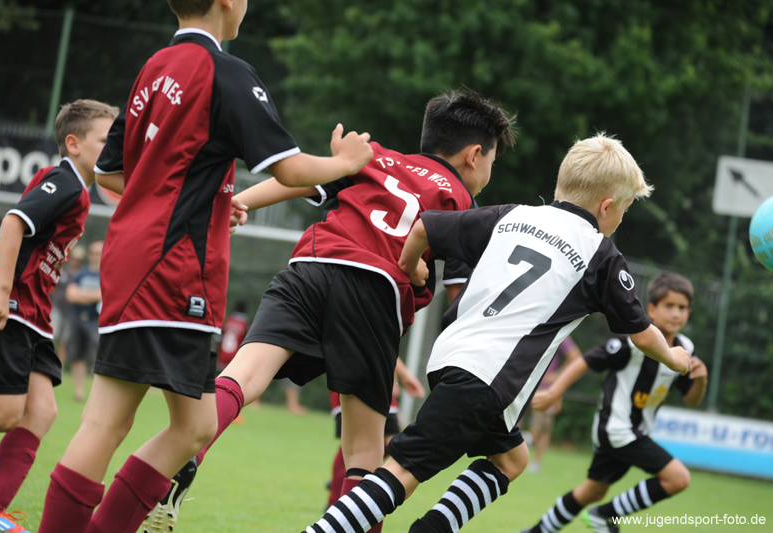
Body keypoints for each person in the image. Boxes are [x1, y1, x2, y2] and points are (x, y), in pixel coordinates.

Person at [36, 0, 373, 531]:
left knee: (167, 425)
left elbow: (110, 172)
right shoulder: (225, 72)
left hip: (129, 257)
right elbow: (289, 169)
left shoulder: (153, 68)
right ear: (227, 2)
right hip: (175, 268)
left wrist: (206, 195)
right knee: (147, 427)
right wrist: (346, 162)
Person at [156, 86, 517, 533]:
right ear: (475, 155)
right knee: (365, 451)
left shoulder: (375, 156)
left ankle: (185, 455)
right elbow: (461, 302)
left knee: (242, 377)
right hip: (376, 290)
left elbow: (301, 179)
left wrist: (239, 202)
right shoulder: (463, 204)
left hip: (311, 264)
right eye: (493, 162)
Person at [302, 133, 693, 533]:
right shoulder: (601, 254)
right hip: (488, 378)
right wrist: (676, 358)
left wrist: (410, 264)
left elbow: (423, 228)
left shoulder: (512, 215)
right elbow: (644, 336)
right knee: (403, 470)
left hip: (450, 358)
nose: (621, 219)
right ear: (607, 206)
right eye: (624, 210)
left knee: (511, 459)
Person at [0, 99, 117, 532]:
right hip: (12, 305)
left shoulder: (81, 189)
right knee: (3, 414)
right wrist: (2, 291)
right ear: (73, 144)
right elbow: (13, 222)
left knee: (41, 412)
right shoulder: (65, 181)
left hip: (35, 315)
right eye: (106, 140)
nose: (114, 148)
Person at [521, 273, 708, 533]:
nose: (676, 313)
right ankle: (604, 515)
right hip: (617, 429)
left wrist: (701, 380)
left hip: (635, 432)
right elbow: (585, 360)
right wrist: (554, 392)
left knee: (592, 492)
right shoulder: (633, 344)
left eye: (683, 307)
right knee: (678, 478)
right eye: (669, 305)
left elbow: (692, 400)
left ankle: (536, 531)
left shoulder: (685, 348)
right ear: (652, 309)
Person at [327, 358, 426, 507]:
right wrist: (403, 375)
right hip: (356, 380)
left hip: (380, 381)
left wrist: (399, 376)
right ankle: (339, 494)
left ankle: (343, 485)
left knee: (385, 446)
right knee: (358, 446)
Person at [527, 335, 581, 472]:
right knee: (522, 426)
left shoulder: (560, 332)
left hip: (544, 389)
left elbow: (575, 356)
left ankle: (535, 463)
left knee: (543, 428)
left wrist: (558, 375)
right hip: (524, 384)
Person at [65, 240, 103, 402]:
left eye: (99, 253)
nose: (96, 256)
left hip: (96, 321)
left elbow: (104, 295)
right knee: (77, 356)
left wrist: (83, 293)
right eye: (93, 253)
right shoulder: (81, 273)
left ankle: (97, 395)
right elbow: (71, 295)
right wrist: (93, 295)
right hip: (77, 319)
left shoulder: (106, 274)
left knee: (97, 358)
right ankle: (79, 393)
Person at [50, 244, 85, 363]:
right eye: (75, 258)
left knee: (64, 342)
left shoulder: (81, 275)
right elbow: (52, 288)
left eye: (79, 259)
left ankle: (59, 366)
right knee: (52, 336)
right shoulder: (62, 270)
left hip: (72, 311)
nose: (76, 261)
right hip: (57, 307)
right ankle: (46, 362)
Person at [217, 298, 248, 372]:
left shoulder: (227, 321)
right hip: (235, 358)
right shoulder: (245, 324)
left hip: (223, 356)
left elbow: (219, 339)